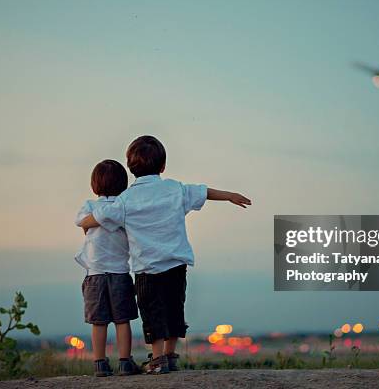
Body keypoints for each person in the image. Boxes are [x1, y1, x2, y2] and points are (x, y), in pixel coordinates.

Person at [79, 135, 251, 374]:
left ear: (130, 167)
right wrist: (229, 195)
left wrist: (85, 223)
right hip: (176, 263)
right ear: (162, 166)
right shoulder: (175, 189)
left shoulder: (126, 199)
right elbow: (202, 191)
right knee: (173, 310)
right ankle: (170, 355)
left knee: (153, 313)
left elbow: (100, 216)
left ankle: (157, 358)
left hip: (147, 268)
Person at [75, 159, 141, 377]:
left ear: (95, 184)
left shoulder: (90, 206)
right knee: (122, 321)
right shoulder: (123, 208)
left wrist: (94, 223)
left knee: (99, 322)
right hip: (120, 273)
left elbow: (82, 222)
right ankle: (124, 362)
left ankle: (100, 363)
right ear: (123, 184)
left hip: (95, 274)